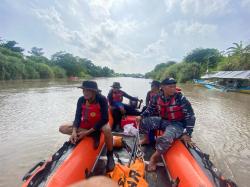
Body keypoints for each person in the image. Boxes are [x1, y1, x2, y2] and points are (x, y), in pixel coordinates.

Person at [136, 78, 196, 171]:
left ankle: (154, 158)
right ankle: (147, 139)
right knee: (144, 122)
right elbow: (150, 109)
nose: (173, 89)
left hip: (177, 124)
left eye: (174, 86)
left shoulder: (180, 98)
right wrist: (141, 116)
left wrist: (188, 133)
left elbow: (191, 116)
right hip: (163, 121)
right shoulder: (157, 97)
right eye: (170, 87)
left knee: (166, 138)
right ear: (162, 87)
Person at [59, 80, 115, 172]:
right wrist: (73, 132)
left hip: (98, 124)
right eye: (84, 90)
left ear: (94, 92)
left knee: (107, 129)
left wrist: (87, 132)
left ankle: (110, 155)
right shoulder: (81, 100)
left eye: (88, 90)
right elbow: (77, 116)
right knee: (62, 128)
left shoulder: (102, 99)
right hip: (86, 123)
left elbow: (105, 119)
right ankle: (93, 135)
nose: (85, 93)